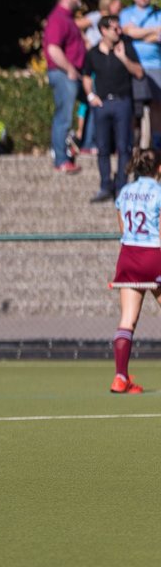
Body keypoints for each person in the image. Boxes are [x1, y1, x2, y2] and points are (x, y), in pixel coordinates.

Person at [109, 148, 161, 394]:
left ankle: (120, 377)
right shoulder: (159, 192)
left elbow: (123, 229)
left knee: (127, 320)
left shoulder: (125, 191)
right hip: (153, 255)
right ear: (159, 169)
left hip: (128, 255)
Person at [83, 14, 143, 203]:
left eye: (119, 28)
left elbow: (139, 73)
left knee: (124, 146)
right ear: (103, 31)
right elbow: (86, 75)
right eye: (114, 29)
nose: (119, 31)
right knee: (102, 147)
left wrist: (123, 58)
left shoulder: (126, 47)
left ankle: (122, 186)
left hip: (122, 102)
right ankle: (105, 185)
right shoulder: (93, 53)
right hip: (102, 104)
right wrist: (90, 95)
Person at [44, 0, 86, 174]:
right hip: (63, 74)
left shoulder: (68, 18)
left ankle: (86, 144)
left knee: (93, 102)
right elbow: (53, 49)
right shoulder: (58, 18)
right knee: (64, 116)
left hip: (73, 74)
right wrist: (69, 68)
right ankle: (61, 159)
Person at [119, 0, 161, 149]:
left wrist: (137, 33)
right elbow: (127, 32)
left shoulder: (158, 13)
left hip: (156, 65)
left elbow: (134, 33)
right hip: (132, 65)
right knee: (134, 107)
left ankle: (156, 143)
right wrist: (152, 32)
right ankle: (134, 144)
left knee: (157, 106)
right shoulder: (126, 13)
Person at [81, 0, 123, 154]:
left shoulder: (116, 22)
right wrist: (86, 42)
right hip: (96, 64)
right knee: (95, 104)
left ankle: (103, 143)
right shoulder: (95, 17)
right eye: (116, 4)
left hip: (108, 64)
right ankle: (89, 143)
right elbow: (74, 25)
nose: (119, 7)